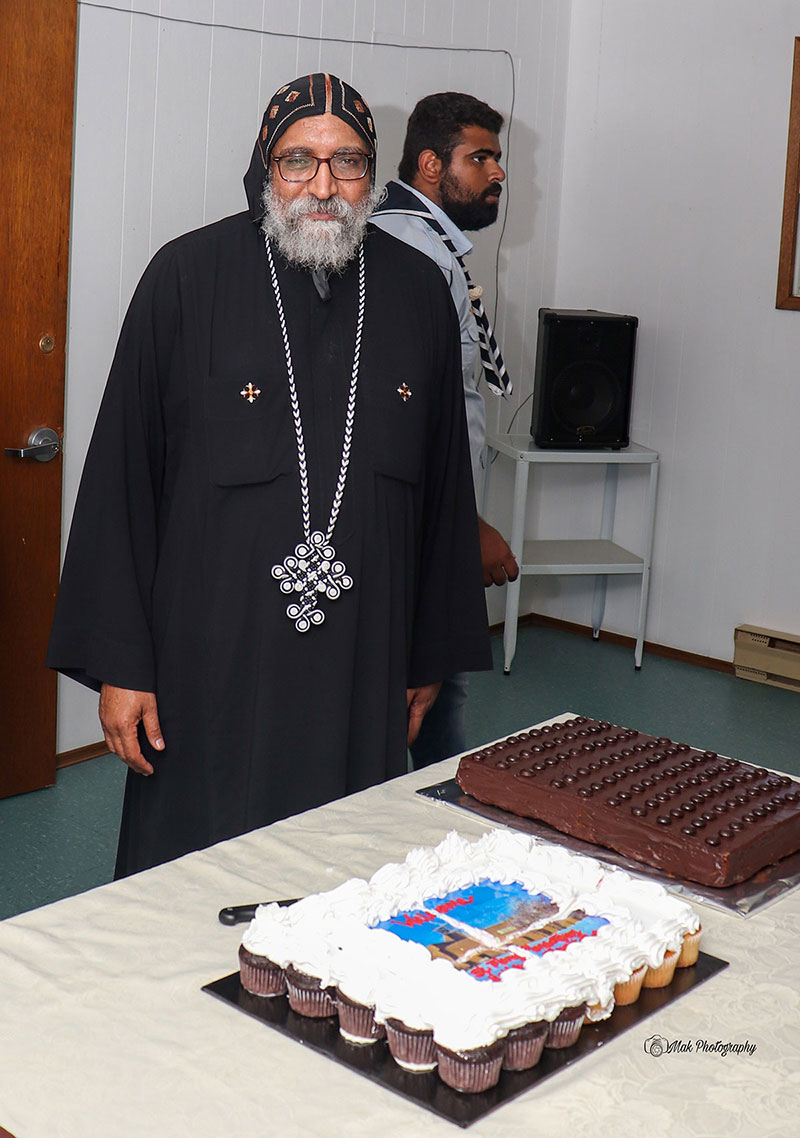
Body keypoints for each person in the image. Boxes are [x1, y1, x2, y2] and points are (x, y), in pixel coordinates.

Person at [47, 74, 491, 877]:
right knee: (192, 879)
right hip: (206, 660)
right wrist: (122, 667)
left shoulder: (418, 291)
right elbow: (122, 482)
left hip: (363, 658)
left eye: (346, 162)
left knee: (344, 876)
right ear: (265, 167)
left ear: (371, 173)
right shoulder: (186, 277)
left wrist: (430, 655)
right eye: (298, 161)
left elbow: (443, 498)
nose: (323, 185)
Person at [371, 91, 518, 768]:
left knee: (433, 692)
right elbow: (412, 413)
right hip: (426, 522)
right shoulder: (412, 250)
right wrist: (467, 525)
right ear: (431, 165)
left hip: (435, 515)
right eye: (480, 158)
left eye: (497, 157)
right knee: (431, 696)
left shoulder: (430, 243)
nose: (498, 172)